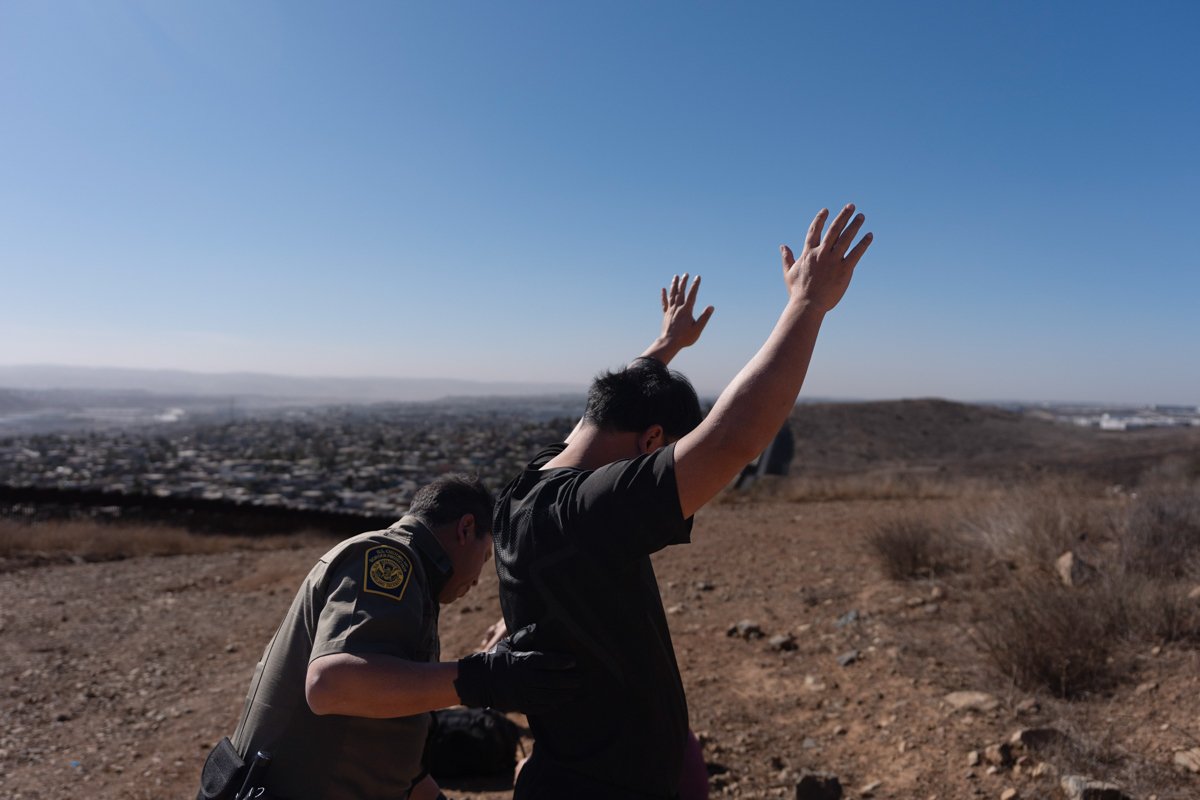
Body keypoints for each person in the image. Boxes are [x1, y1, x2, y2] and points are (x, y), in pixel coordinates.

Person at [492, 204, 873, 799]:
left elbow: (607, 410)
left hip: (573, 770)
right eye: (661, 452)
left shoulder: (529, 486)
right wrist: (807, 305)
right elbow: (732, 437)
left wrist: (664, 348)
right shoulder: (588, 514)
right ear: (651, 443)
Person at [198, 474, 577, 800]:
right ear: (465, 529)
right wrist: (487, 678)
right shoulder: (388, 559)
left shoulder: (417, 586)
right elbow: (332, 683)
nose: (478, 578)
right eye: (484, 557)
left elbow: (393, 753)